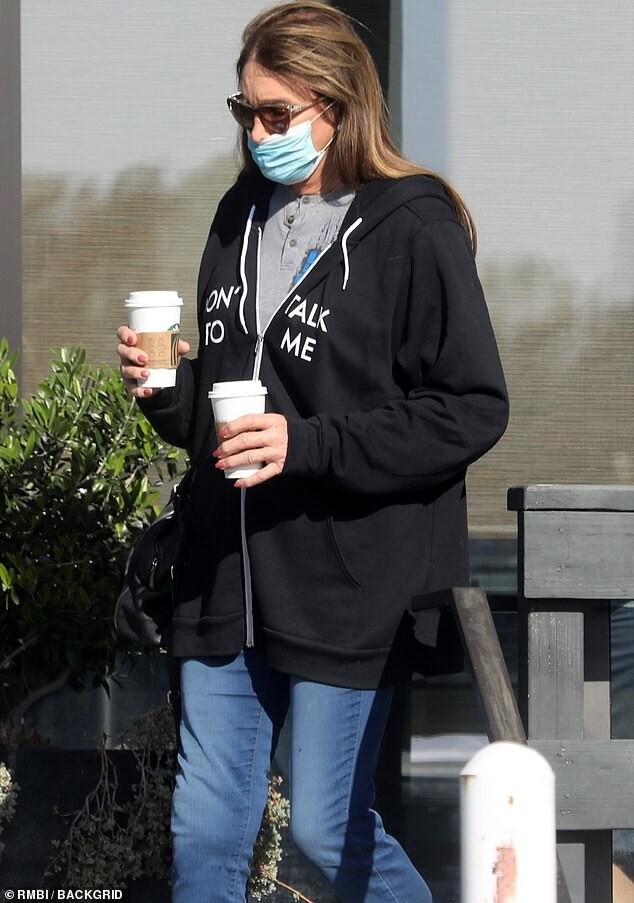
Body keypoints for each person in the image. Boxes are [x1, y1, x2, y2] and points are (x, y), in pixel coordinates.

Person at [117, 2, 508, 900]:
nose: (257, 134)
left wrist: (308, 444)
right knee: (204, 831)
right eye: (245, 112)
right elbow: (230, 409)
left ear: (337, 105)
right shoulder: (238, 216)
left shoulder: (413, 226)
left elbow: (472, 408)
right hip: (226, 575)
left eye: (276, 114)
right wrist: (170, 390)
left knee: (329, 834)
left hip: (348, 583)